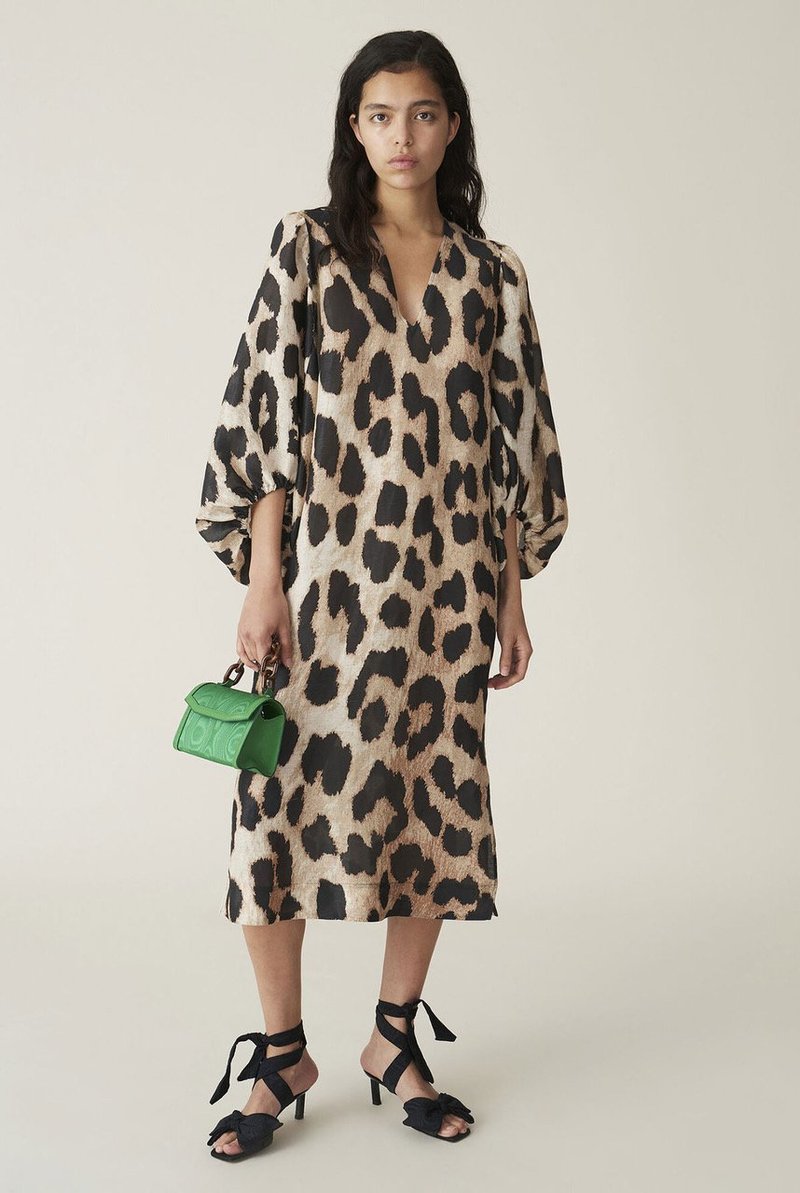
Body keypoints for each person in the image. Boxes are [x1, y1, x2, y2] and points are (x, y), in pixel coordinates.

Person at [195, 29, 569, 1159]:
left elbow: (515, 447)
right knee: (275, 815)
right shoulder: (308, 248)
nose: (400, 135)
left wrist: (509, 596)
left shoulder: (493, 274)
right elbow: (265, 419)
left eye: (421, 113)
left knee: (430, 811)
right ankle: (280, 1051)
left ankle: (393, 1040)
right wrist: (265, 579)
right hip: (325, 584)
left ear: (452, 126)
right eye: (378, 114)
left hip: (448, 588)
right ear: (352, 129)